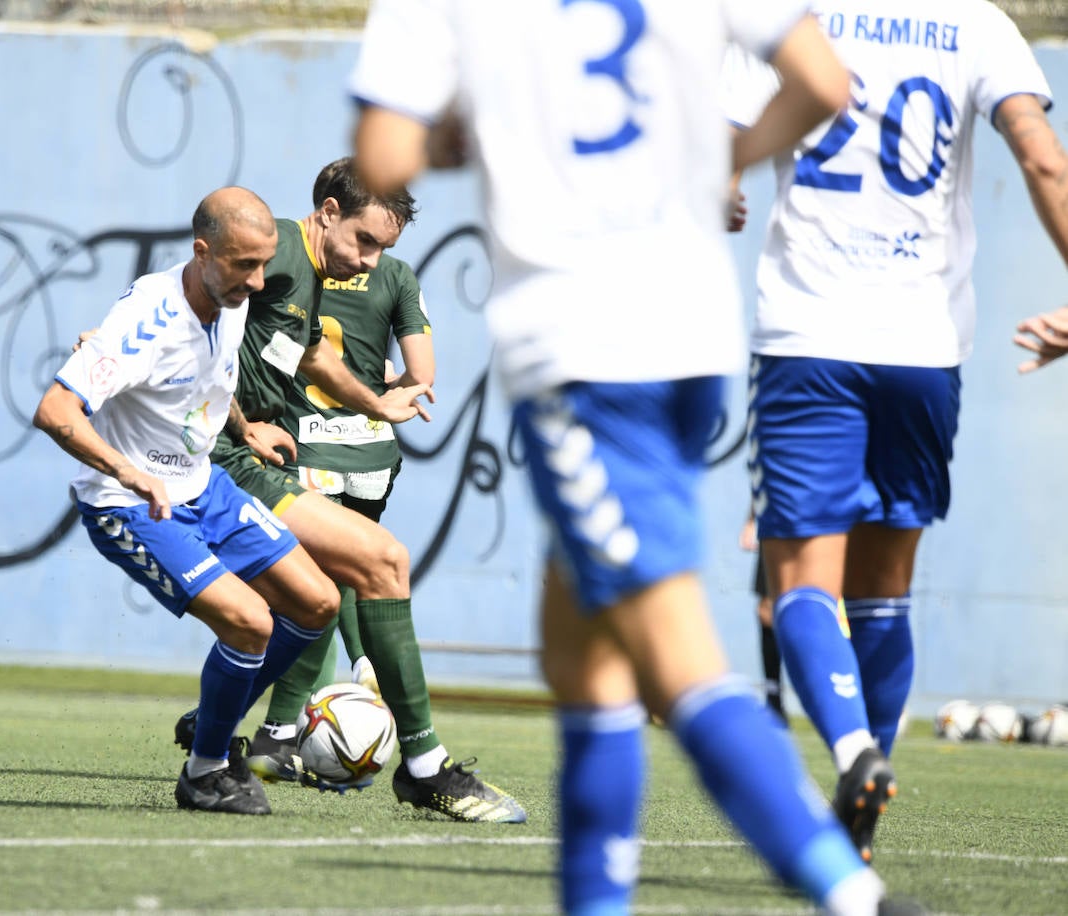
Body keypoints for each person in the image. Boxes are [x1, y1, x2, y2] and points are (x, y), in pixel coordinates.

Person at [348, 2, 929, 915]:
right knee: (581, 655)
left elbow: (381, 160)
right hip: (692, 332)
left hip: (585, 351)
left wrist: (484, 125)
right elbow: (823, 82)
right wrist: (714, 163)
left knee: (671, 648)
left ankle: (851, 895)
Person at [723, 0, 1068, 866]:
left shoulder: (789, 14)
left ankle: (852, 753)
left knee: (799, 581)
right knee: (884, 591)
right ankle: (859, 826)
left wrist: (721, 182)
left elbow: (719, 143)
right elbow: (1042, 159)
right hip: (924, 348)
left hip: (808, 340)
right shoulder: (979, 24)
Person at [175, 157, 525, 823]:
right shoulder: (275, 249)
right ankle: (426, 769)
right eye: (363, 241)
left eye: (383, 250)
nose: (367, 261)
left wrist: (375, 403)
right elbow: (187, 295)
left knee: (312, 604)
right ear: (327, 212)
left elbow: (312, 358)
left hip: (244, 454)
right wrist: (236, 425)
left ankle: (217, 737)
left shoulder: (312, 277)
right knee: (383, 561)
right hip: (217, 462)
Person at [34, 187, 360, 816]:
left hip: (202, 483)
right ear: (202, 252)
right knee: (249, 621)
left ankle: (215, 717)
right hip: (128, 504)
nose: (258, 279)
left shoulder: (233, 294)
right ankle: (206, 772)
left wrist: (244, 429)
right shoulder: (144, 324)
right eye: (244, 264)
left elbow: (211, 378)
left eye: (264, 262)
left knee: (318, 602)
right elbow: (55, 410)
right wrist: (129, 474)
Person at [246, 243, 434, 771]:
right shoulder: (397, 273)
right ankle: (364, 662)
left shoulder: (295, 266)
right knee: (349, 570)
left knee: (317, 590)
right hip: (372, 453)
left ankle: (278, 732)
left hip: (305, 447)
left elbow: (275, 346)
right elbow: (422, 374)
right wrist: (380, 382)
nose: (371, 255)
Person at [740, 512, 786, 724]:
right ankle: (773, 698)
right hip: (775, 521)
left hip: (816, 516)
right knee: (766, 611)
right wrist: (751, 520)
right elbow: (760, 477)